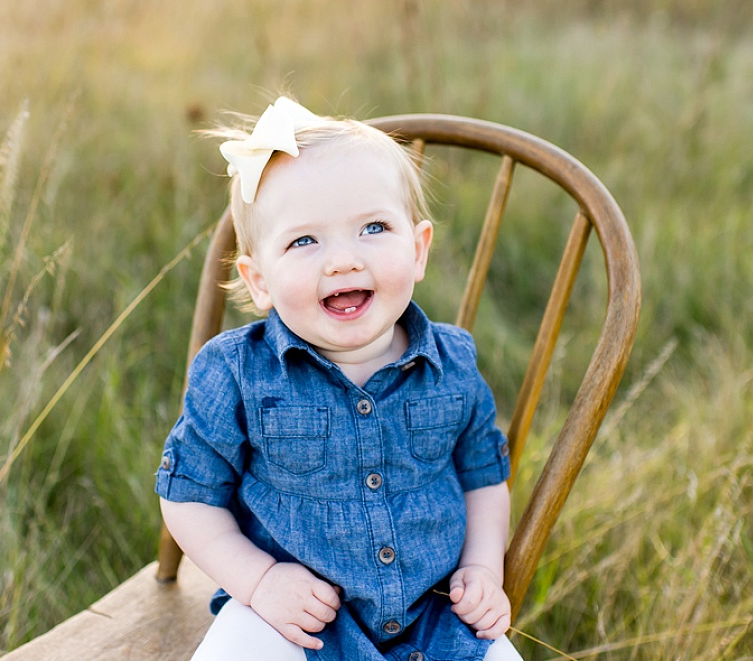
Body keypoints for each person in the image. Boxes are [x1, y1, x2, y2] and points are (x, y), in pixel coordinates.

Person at [157, 96, 523, 661]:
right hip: (293, 617)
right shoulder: (237, 373)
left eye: (374, 227)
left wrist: (481, 565)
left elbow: (482, 478)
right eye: (305, 241)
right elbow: (188, 497)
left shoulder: (452, 362)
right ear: (259, 281)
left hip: (437, 615)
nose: (343, 261)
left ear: (419, 249)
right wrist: (258, 582)